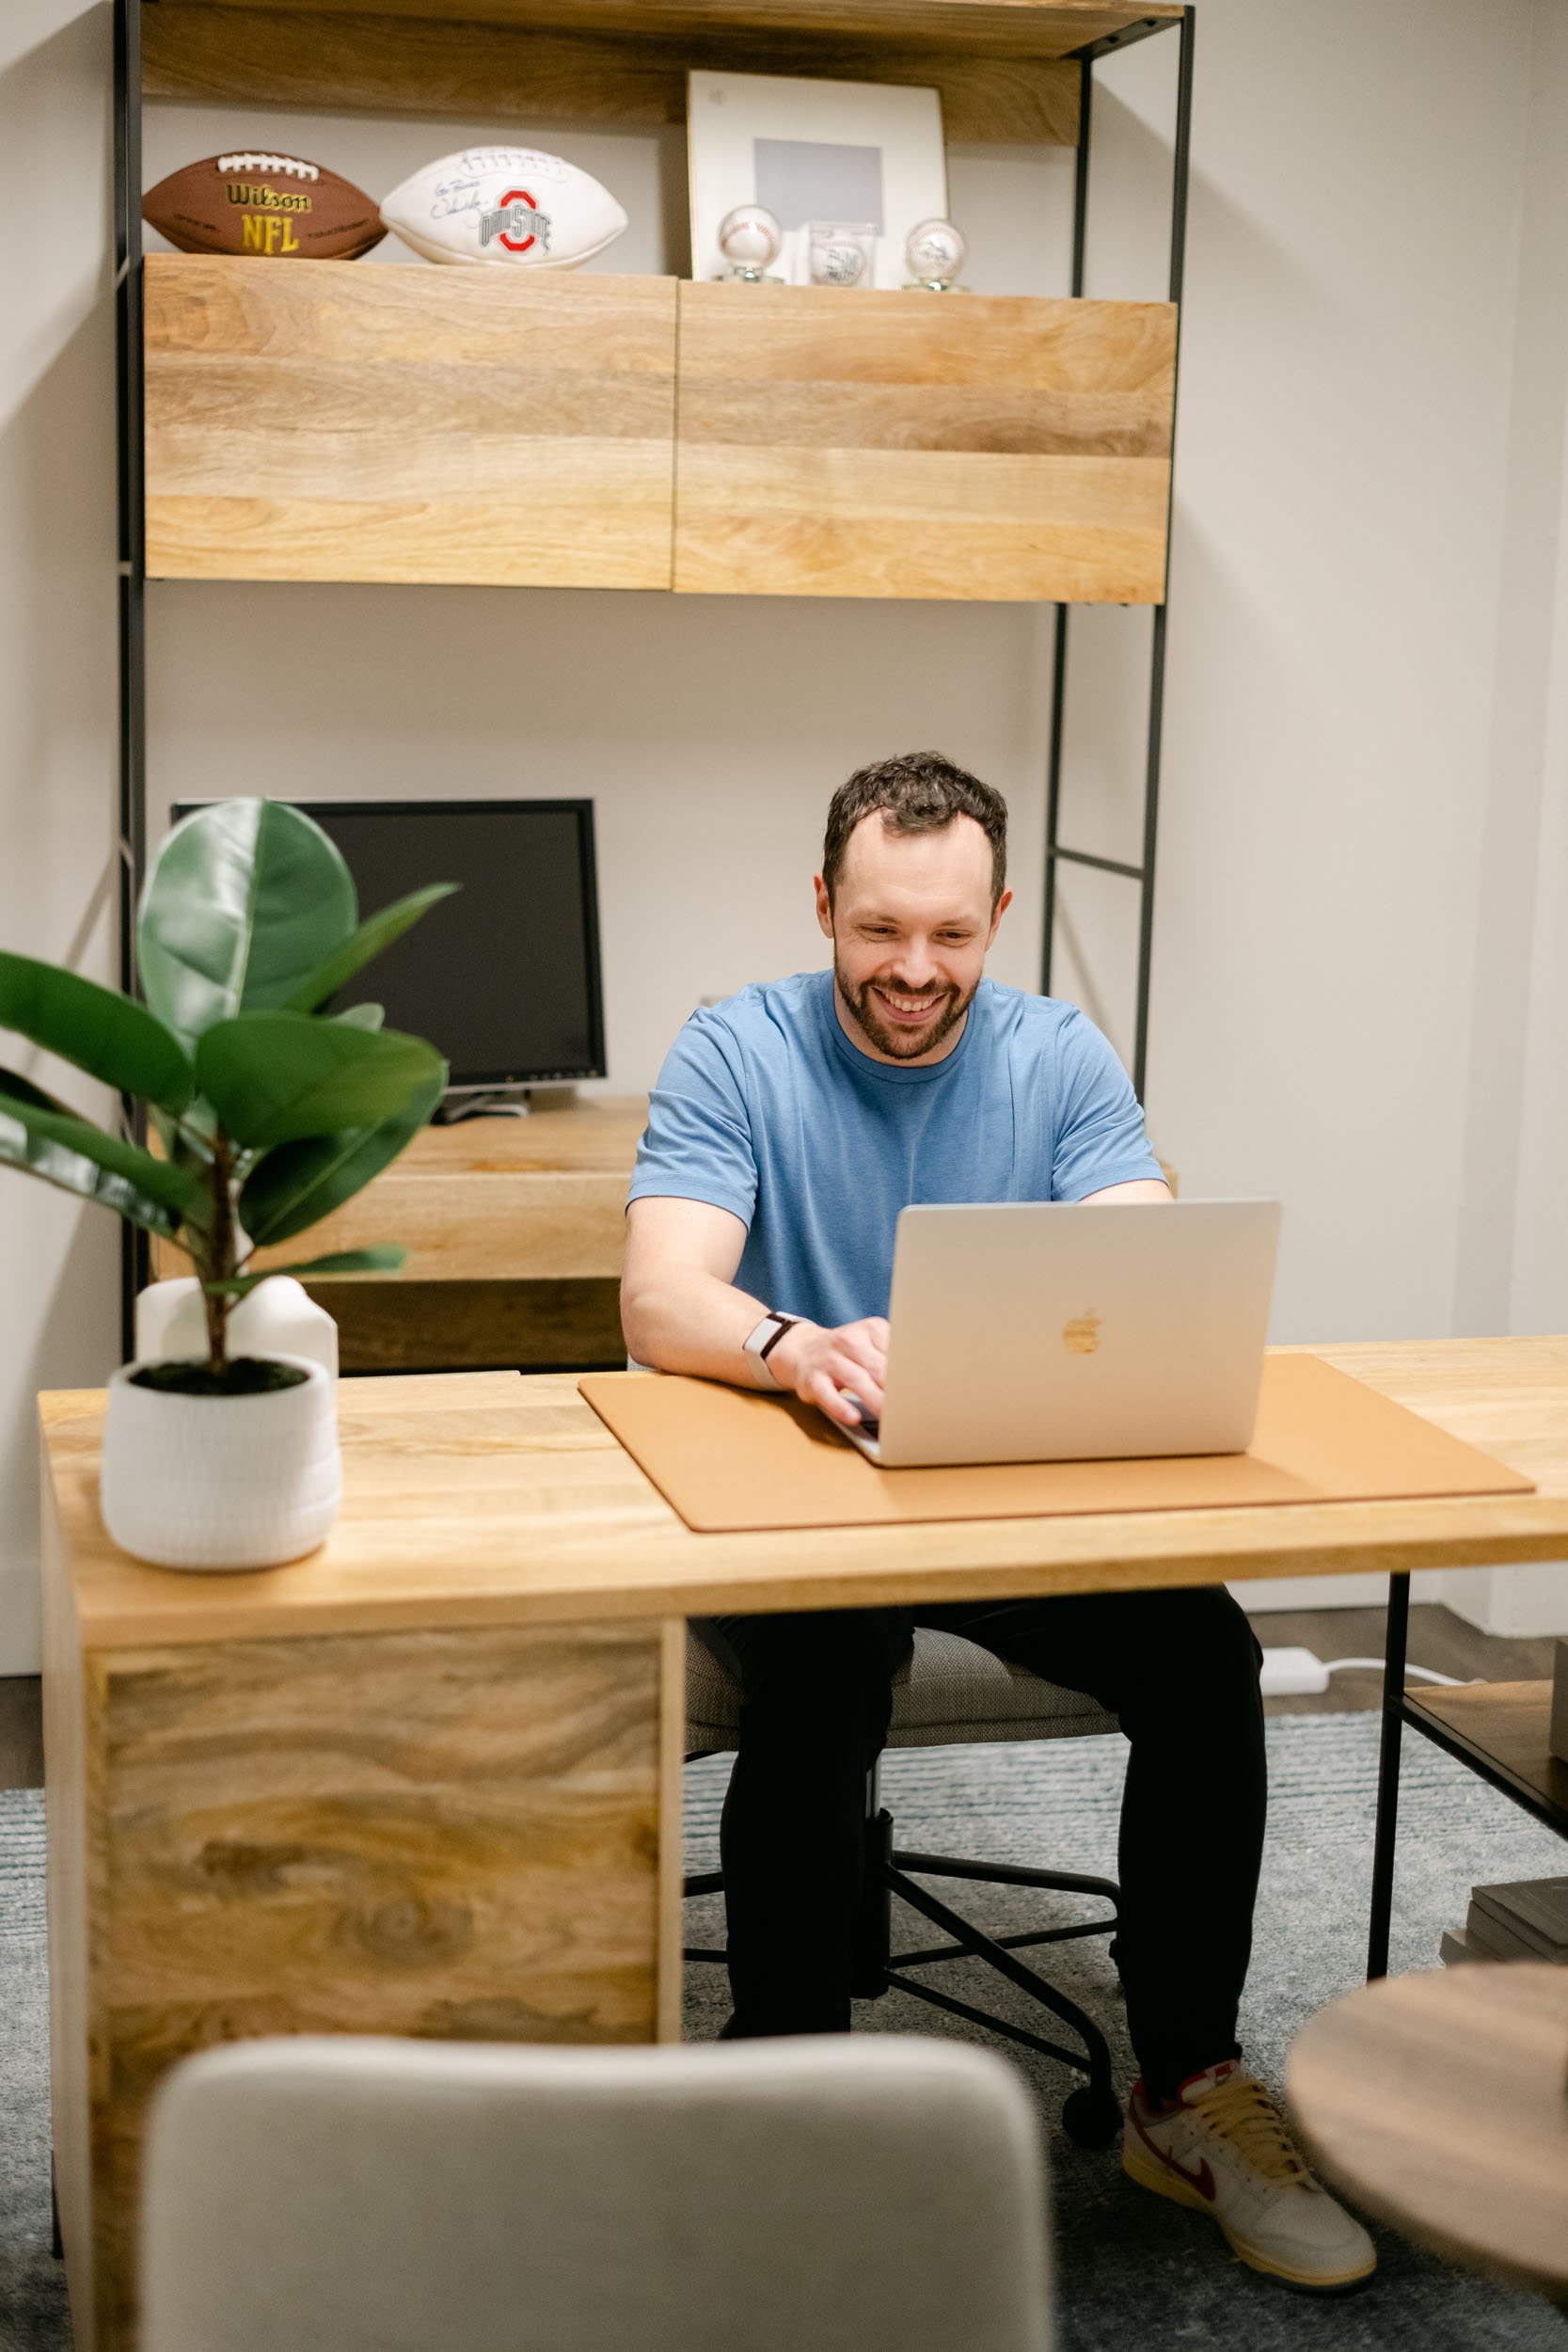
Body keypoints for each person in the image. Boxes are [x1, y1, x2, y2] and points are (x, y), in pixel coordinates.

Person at [621, 751, 1375, 2294]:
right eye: (882, 930)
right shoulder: (735, 1046)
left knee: (1204, 1657)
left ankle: (1187, 2090)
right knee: (826, 1672)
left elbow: (1144, 1273)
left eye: (952, 937)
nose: (915, 972)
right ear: (825, 905)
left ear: (1000, 915)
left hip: (998, 1502)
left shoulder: (1057, 1054)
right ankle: (792, 2108)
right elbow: (659, 1295)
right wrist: (790, 1347)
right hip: (800, 1511)